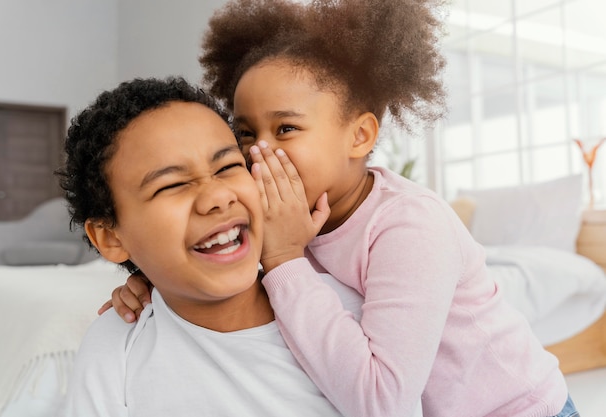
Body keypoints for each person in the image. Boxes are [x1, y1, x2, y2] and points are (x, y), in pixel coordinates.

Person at [106, 0, 578, 416]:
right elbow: (223, 268)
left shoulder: (410, 225)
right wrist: (153, 282)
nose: (259, 152)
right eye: (246, 133)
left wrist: (287, 259)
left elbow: (382, 401)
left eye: (286, 129)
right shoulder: (278, 212)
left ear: (360, 136)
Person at [54, 76, 365, 417]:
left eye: (230, 166)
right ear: (111, 237)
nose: (218, 196)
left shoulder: (350, 310)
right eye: (171, 185)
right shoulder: (116, 344)